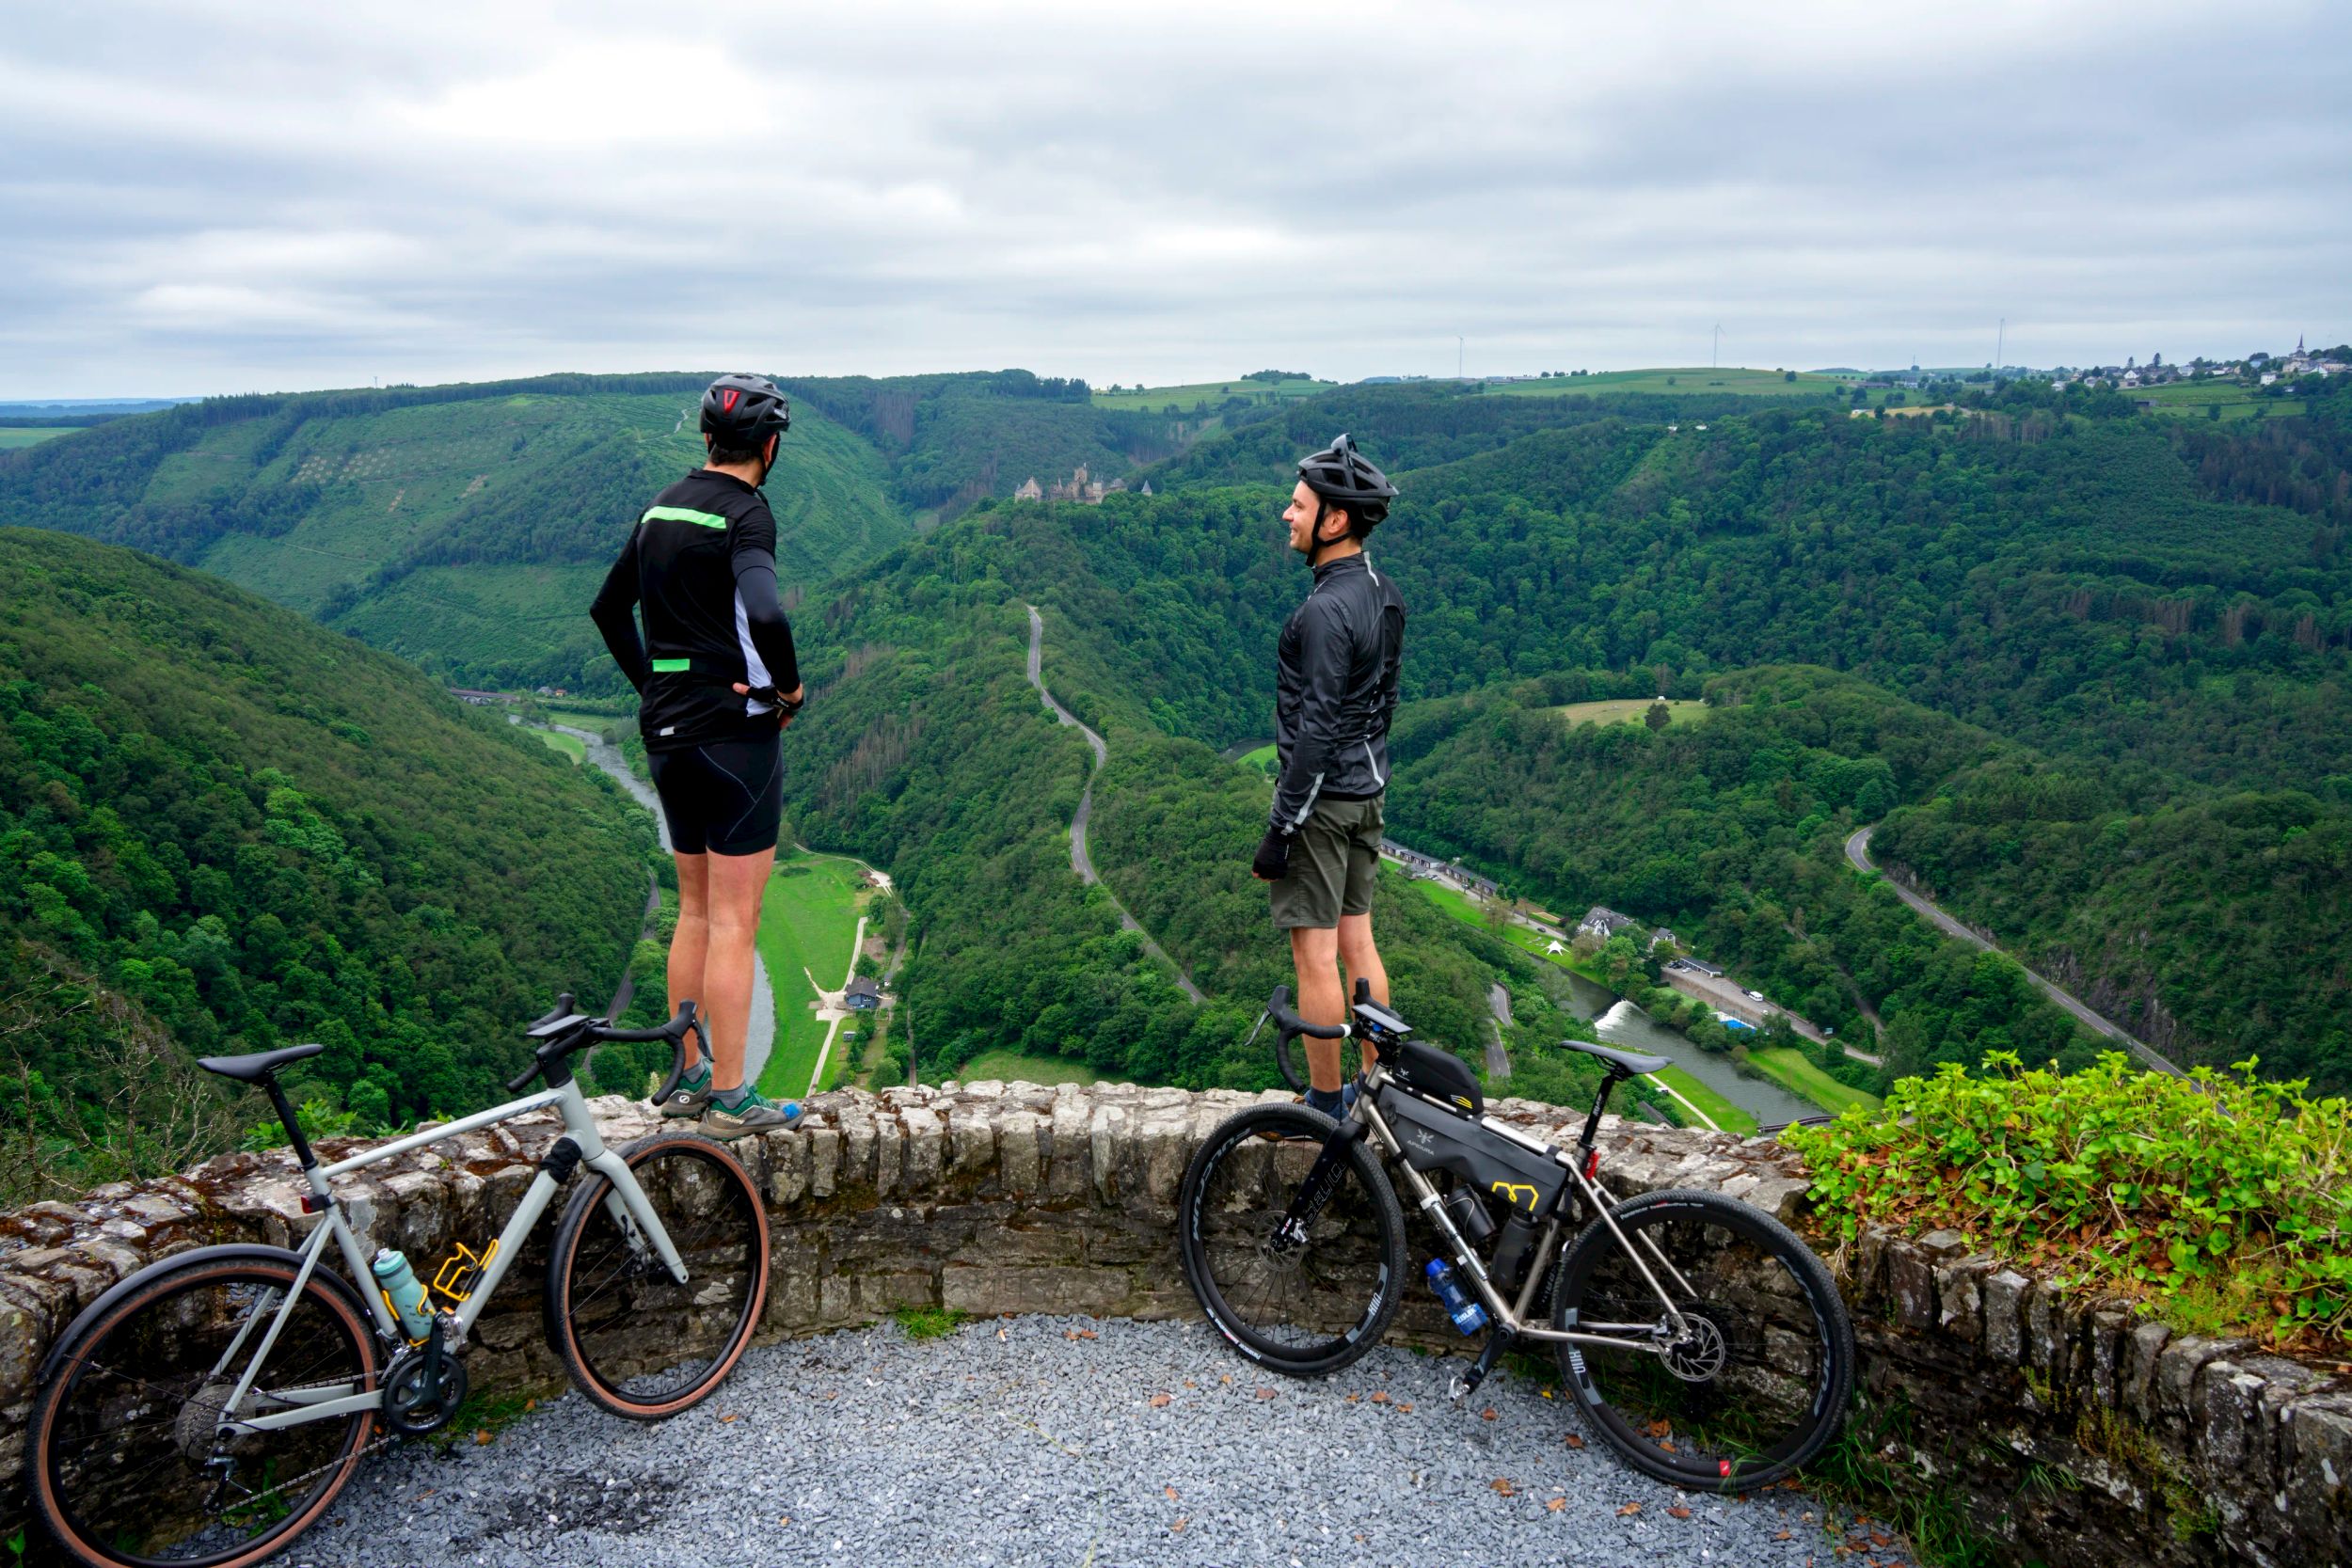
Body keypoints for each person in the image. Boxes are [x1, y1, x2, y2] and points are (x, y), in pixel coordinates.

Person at [590, 373, 807, 1139]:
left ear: (707, 440)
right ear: (769, 446)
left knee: (691, 910)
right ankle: (731, 1095)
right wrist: (786, 690)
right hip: (735, 736)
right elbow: (768, 609)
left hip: (666, 737)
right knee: (736, 922)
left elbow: (609, 607)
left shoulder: (661, 506)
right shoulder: (747, 514)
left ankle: (681, 1079)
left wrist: (654, 683)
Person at [1251, 434, 1406, 1117]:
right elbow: (1384, 701)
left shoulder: (1321, 612)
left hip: (1322, 802)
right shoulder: (1385, 594)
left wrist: (1281, 829)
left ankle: (1323, 1104)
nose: (1287, 515)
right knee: (1359, 941)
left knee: (1314, 955)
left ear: (1334, 520)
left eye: (1298, 505)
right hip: (1368, 791)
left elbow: (1314, 733)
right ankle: (1378, 1091)